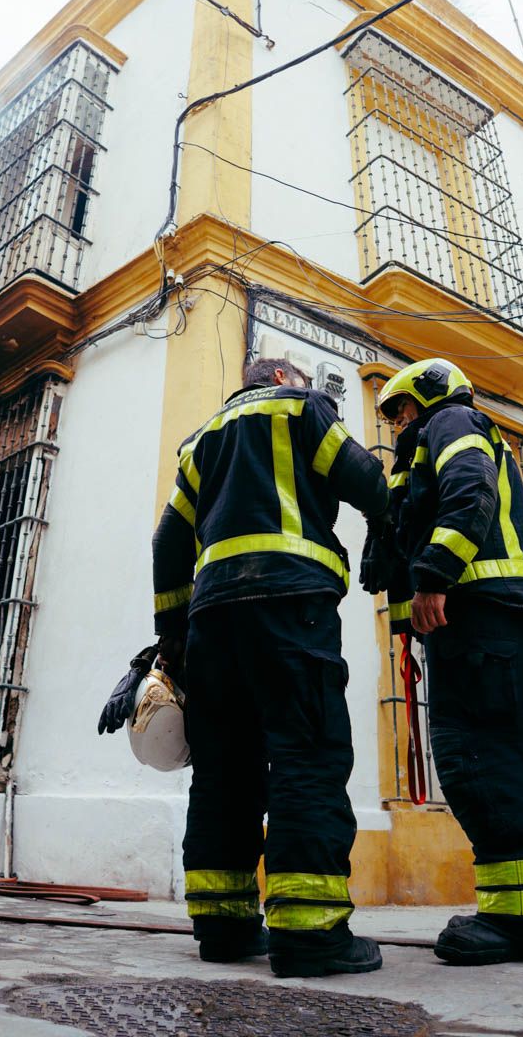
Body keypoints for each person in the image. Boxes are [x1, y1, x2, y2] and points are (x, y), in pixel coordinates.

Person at [152, 358, 391, 978]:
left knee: (224, 771)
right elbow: (365, 478)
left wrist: (173, 635)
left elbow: (168, 544)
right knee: (307, 755)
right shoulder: (302, 409)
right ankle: (311, 934)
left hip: (212, 625)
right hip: (291, 609)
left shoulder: (200, 441)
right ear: (284, 379)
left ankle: (223, 926)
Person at [371, 357, 523, 966]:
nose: (397, 423)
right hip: (476, 621)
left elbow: (470, 493)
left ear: (426, 398)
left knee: (486, 760)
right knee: (478, 762)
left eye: (399, 410)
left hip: (484, 613)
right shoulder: (435, 438)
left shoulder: (452, 422)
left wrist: (433, 577)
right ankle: (514, 913)